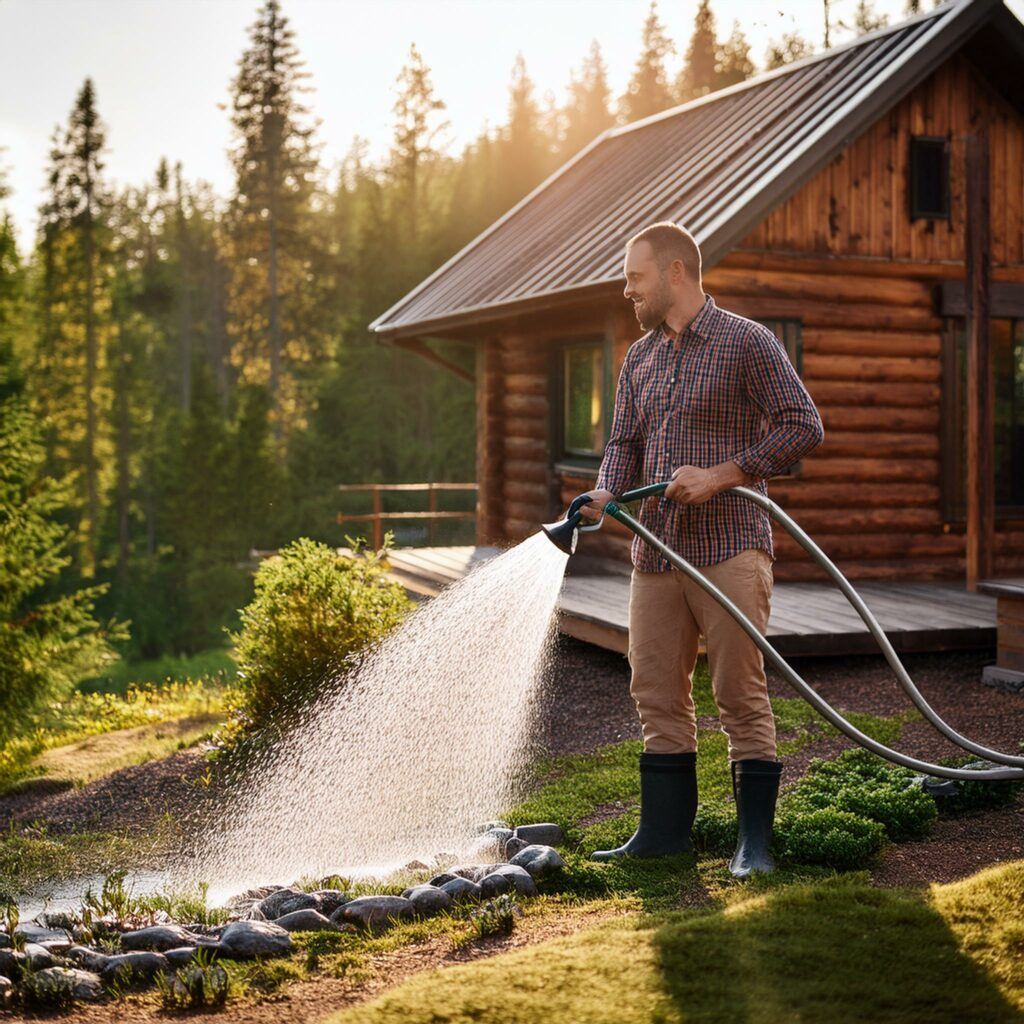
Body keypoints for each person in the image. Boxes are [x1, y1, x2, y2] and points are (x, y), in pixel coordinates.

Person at [579, 221, 824, 878]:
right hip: (656, 556)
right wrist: (606, 491)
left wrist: (722, 475)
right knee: (656, 691)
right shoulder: (640, 357)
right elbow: (623, 445)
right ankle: (663, 837)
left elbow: (804, 425)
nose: (628, 290)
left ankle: (754, 846)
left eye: (636, 277)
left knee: (738, 693)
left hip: (730, 550)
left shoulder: (747, 343)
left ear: (676, 273)